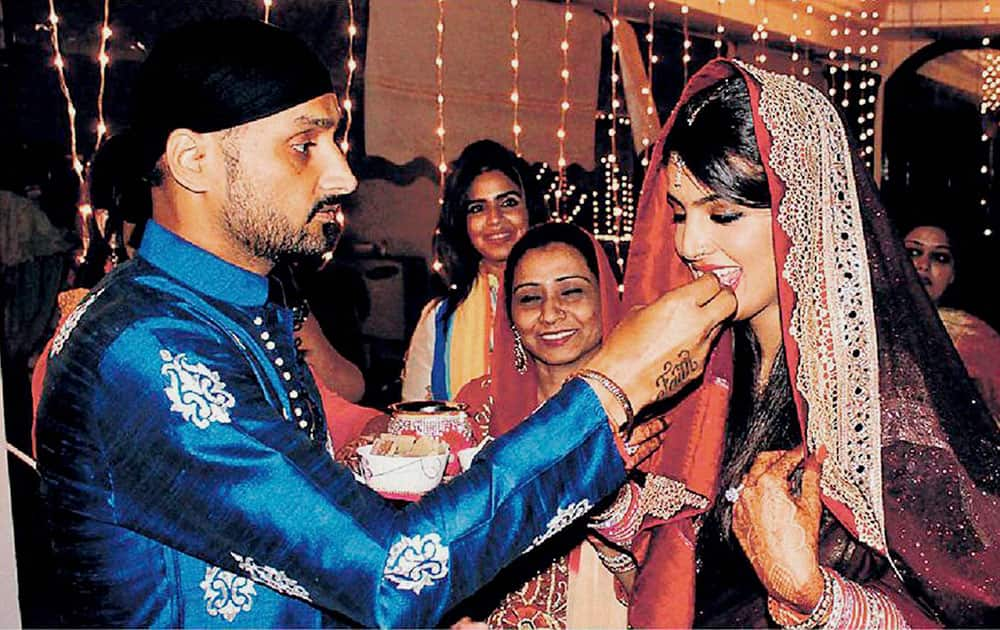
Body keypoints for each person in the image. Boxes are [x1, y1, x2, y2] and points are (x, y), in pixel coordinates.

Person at [34, 18, 736, 627]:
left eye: (334, 139)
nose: (342, 176)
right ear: (194, 160)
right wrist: (610, 390)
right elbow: (393, 572)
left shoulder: (237, 308)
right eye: (304, 144)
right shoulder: (150, 348)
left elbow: (297, 545)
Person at [615, 59, 1000, 628]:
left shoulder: (884, 405)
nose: (692, 243)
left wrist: (817, 599)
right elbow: (663, 584)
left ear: (803, 213)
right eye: (679, 213)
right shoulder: (706, 366)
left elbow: (971, 604)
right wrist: (611, 502)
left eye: (723, 214)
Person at [449, 223, 630, 628]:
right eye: (530, 298)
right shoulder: (477, 410)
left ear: (605, 297)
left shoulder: (648, 416)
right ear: (510, 317)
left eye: (571, 291)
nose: (550, 314)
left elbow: (672, 586)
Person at [401, 139, 547, 402]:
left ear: (530, 211)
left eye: (508, 202)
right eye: (477, 208)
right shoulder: (439, 320)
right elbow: (416, 419)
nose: (494, 219)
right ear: (464, 224)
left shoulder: (563, 305)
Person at [903, 223, 1000, 422]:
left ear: (952, 275)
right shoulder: (856, 328)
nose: (923, 265)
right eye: (913, 252)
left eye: (940, 257)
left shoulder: (975, 337)